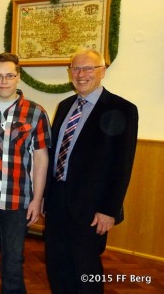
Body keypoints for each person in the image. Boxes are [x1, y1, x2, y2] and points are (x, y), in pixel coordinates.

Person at [44, 48, 138, 294]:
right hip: (56, 201)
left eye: (88, 68)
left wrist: (109, 209)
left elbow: (123, 164)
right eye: (76, 68)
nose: (81, 74)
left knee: (86, 271)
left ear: (102, 71)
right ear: (70, 72)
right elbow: (55, 155)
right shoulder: (64, 106)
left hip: (91, 207)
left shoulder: (122, 108)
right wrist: (44, 197)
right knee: (57, 265)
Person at [0, 52, 51, 293]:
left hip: (18, 200)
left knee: (13, 261)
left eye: (9, 76)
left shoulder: (35, 112)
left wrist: (37, 199)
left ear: (18, 76)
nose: (3, 82)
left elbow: (40, 157)